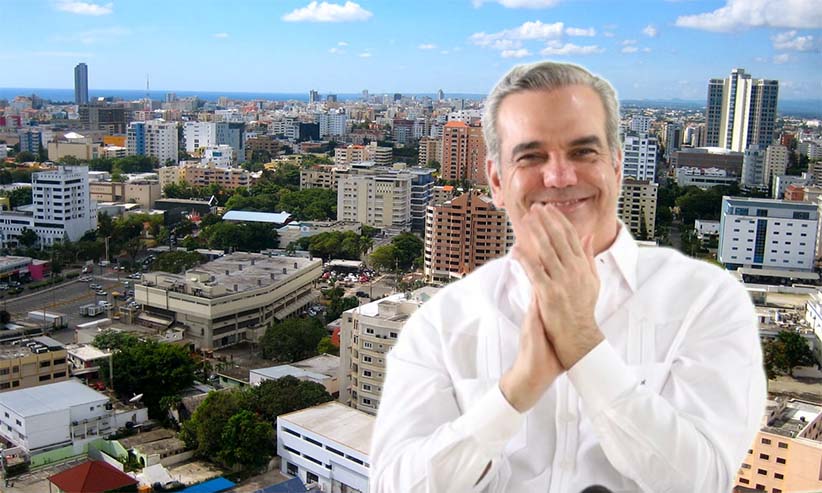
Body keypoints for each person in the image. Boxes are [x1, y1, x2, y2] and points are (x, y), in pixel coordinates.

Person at [369, 61, 766, 492]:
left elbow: (705, 481)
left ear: (616, 168)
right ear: (497, 181)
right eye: (531, 156)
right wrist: (515, 391)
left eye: (583, 152)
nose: (559, 177)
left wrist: (583, 346)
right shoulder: (442, 322)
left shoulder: (704, 301)